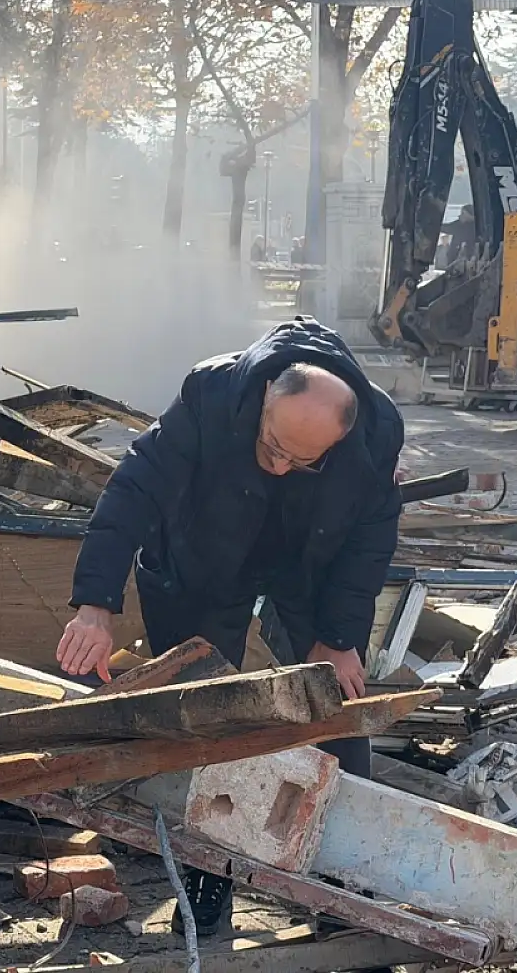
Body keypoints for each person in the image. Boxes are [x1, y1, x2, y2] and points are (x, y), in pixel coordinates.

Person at [57, 315, 404, 941]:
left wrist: (340, 636)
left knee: (336, 706)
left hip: (307, 563)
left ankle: (346, 887)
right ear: (265, 395)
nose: (280, 467)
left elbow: (370, 543)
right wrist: (95, 604)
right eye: (271, 447)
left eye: (302, 461)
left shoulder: (376, 432)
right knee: (201, 713)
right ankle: (207, 880)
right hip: (203, 559)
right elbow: (133, 490)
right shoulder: (211, 394)